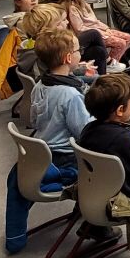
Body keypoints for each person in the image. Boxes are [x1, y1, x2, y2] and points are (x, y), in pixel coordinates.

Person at [28, 29, 93, 169]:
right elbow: (84, 132)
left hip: (43, 151)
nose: (81, 53)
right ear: (68, 58)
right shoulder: (71, 95)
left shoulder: (39, 86)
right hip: (66, 156)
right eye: (79, 50)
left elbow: (33, 121)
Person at [61, 0, 130, 74]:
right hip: (90, 35)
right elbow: (80, 29)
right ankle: (109, 64)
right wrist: (101, 32)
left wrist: (106, 28)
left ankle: (113, 62)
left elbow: (95, 21)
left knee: (128, 37)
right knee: (120, 43)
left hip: (98, 30)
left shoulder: (85, 4)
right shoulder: (72, 8)